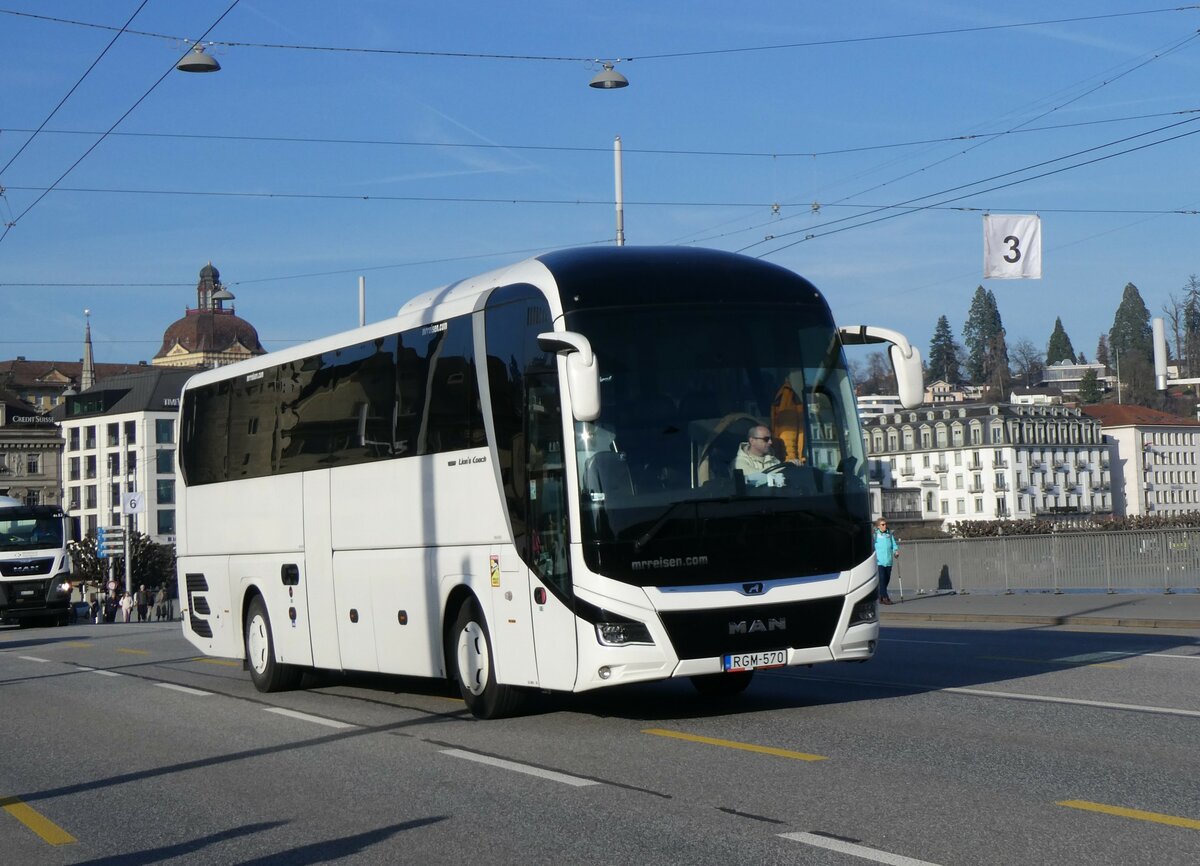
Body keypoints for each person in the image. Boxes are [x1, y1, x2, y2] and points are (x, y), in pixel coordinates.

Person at [874, 517, 900, 604]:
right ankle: (885, 597)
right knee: (882, 579)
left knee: (886, 580)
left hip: (888, 561)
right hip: (879, 562)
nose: (885, 526)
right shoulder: (875, 536)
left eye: (885, 524)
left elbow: (894, 545)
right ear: (878, 526)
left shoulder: (889, 534)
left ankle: (881, 595)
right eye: (883, 524)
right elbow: (871, 547)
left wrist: (896, 551)